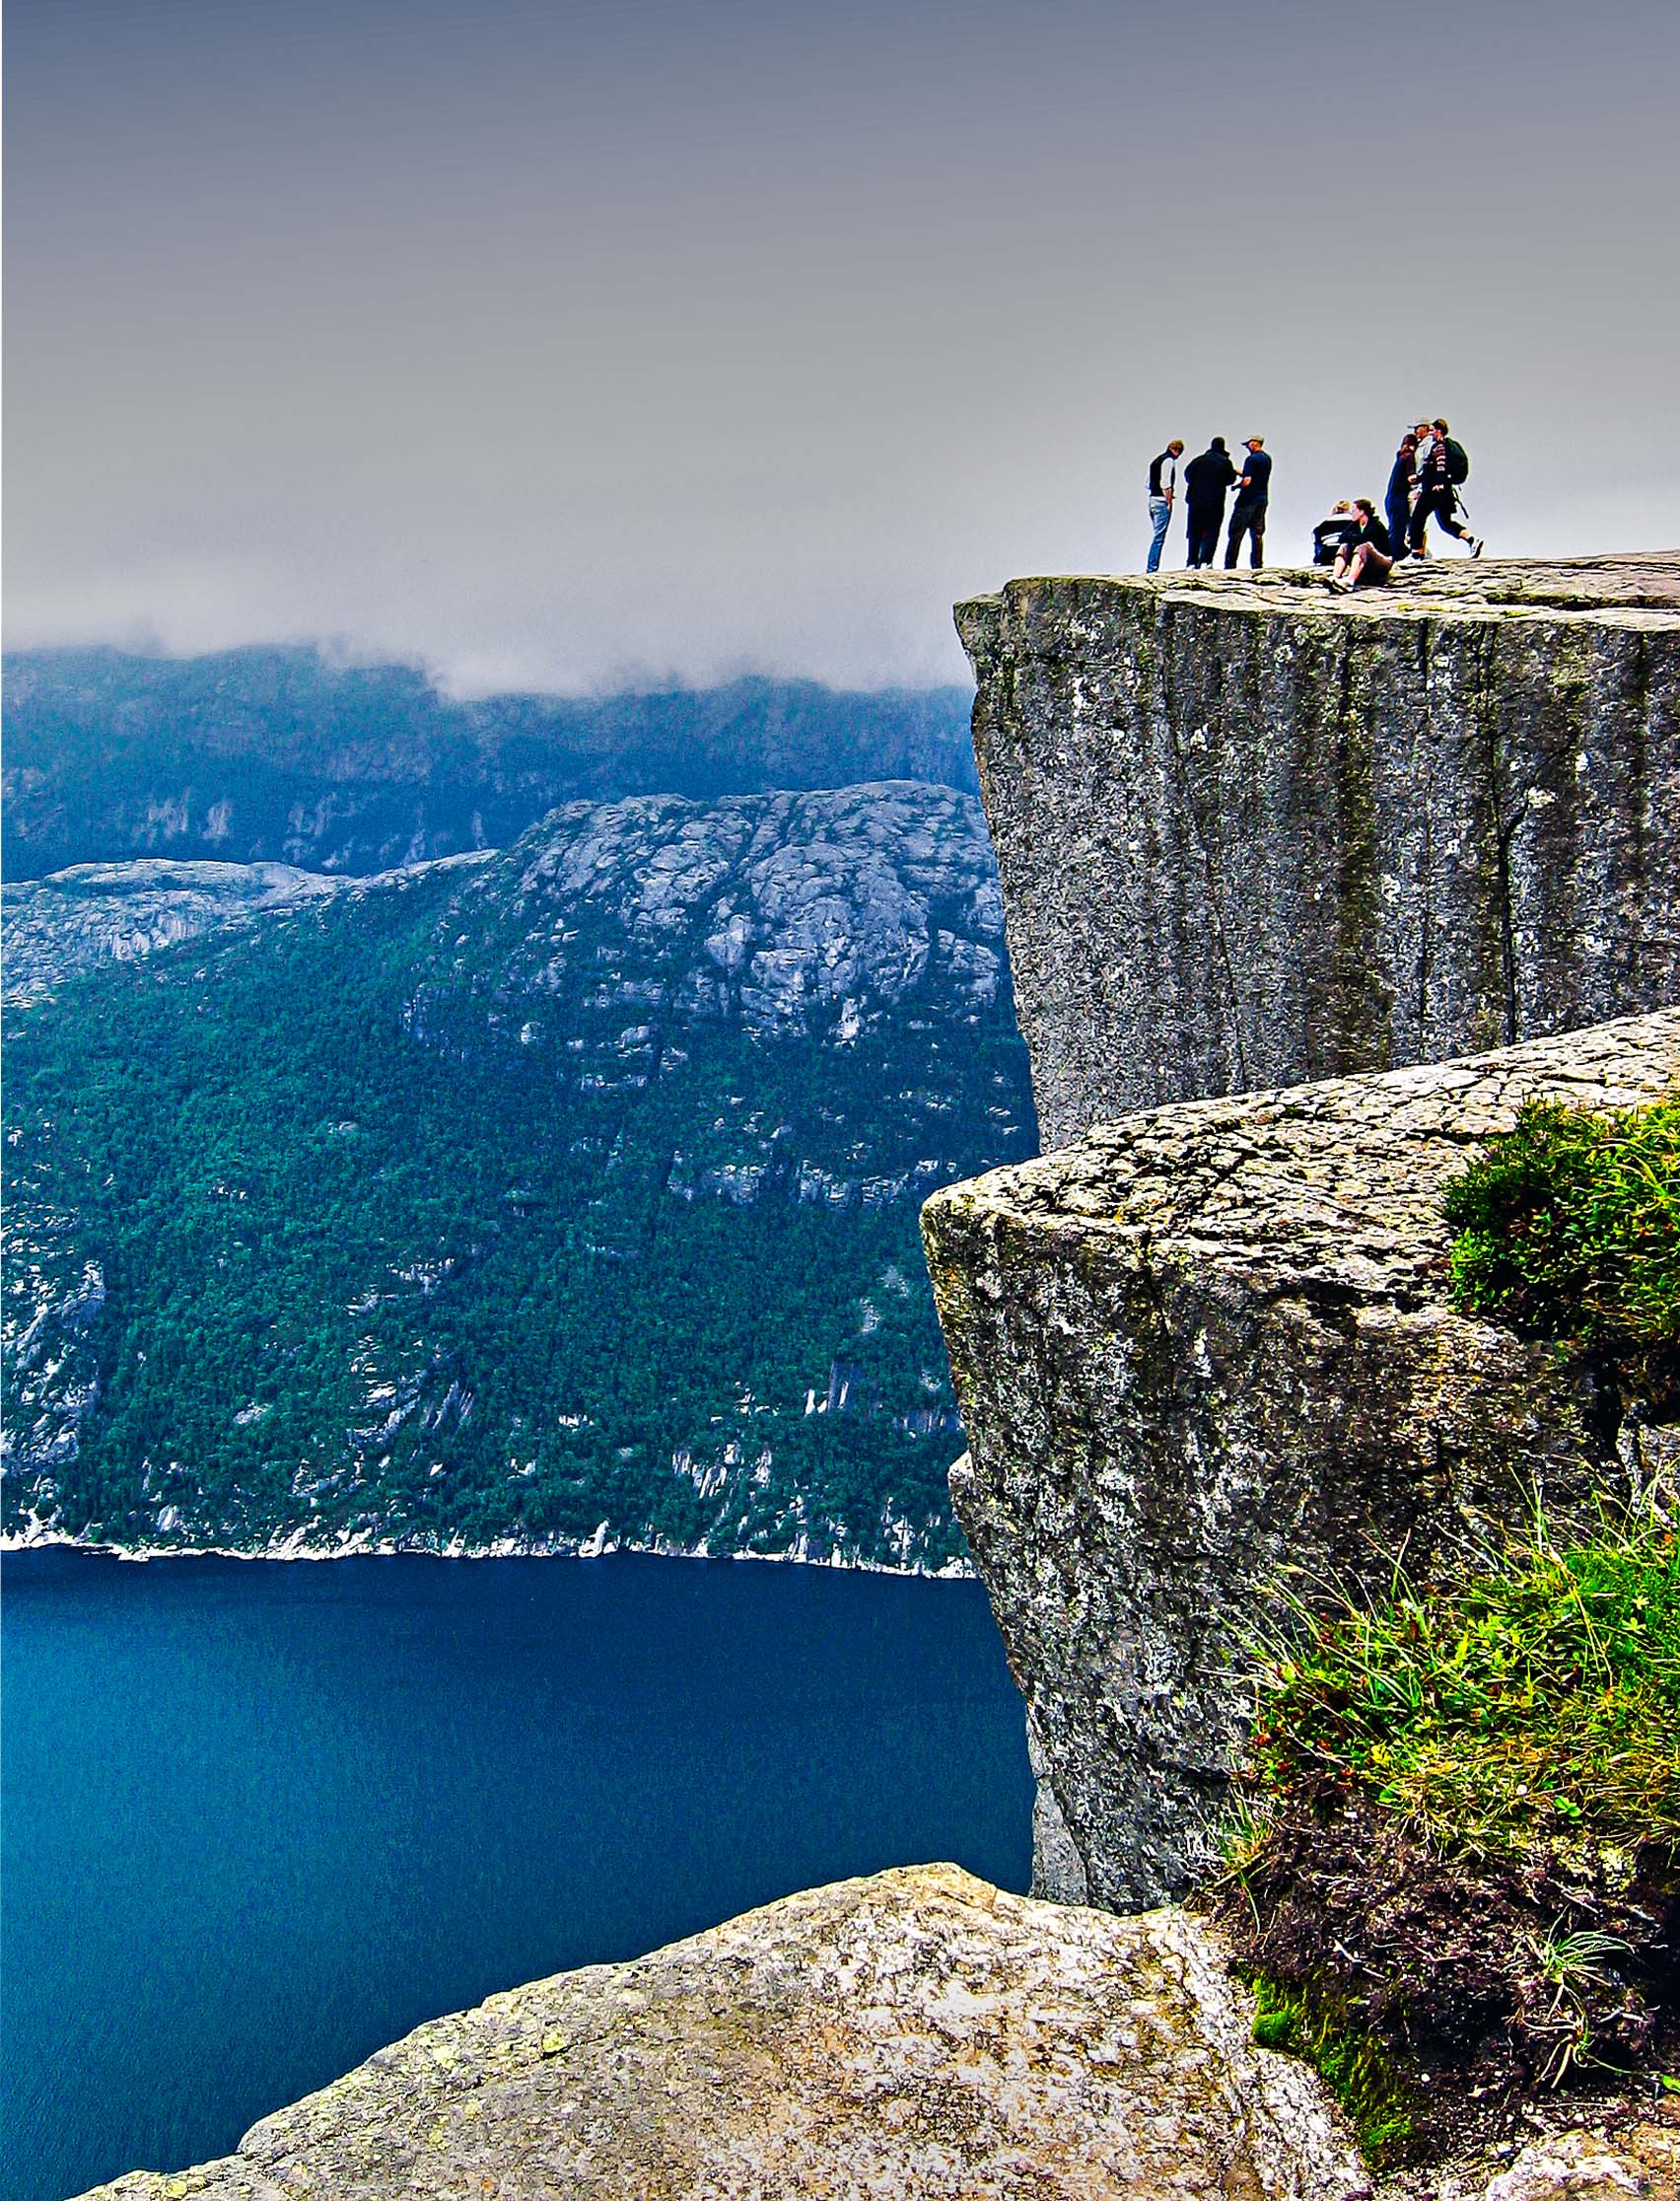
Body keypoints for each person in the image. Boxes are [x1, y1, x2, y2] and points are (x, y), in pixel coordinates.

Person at [1409, 418, 1483, 557]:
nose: (1431, 433)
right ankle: (1472, 540)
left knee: (1417, 518)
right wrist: (1419, 479)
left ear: (1439, 431)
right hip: (1445, 491)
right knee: (1445, 523)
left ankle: (1417, 552)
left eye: (1433, 430)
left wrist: (1439, 483)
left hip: (1434, 490)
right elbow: (1432, 471)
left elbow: (1440, 466)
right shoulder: (1440, 446)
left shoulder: (1439, 446)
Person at [1182, 437, 1236, 568]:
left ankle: (1191, 562)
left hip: (1195, 502)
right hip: (1215, 502)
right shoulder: (1225, 462)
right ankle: (1206, 561)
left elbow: (1187, 474)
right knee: (1212, 531)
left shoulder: (1198, 460)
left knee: (1195, 532)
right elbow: (1230, 479)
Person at [1224, 436, 1272, 569]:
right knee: (1257, 534)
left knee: (1236, 532)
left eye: (1248, 444)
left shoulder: (1251, 459)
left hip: (1247, 500)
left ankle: (1230, 564)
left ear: (1255, 443)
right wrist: (1239, 472)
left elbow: (1247, 481)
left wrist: (1236, 486)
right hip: (1262, 499)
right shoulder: (1267, 459)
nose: (1247, 447)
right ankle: (1257, 564)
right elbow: (1253, 475)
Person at [1330, 499, 1395, 590]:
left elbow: (1364, 538)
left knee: (1363, 547)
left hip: (1381, 562)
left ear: (1361, 511)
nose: (1352, 513)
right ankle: (1335, 577)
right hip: (1364, 563)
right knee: (1344, 546)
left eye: (1354, 511)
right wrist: (1353, 539)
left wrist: (1353, 538)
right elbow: (1342, 538)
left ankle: (1350, 581)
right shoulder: (1354, 525)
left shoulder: (1375, 525)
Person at [1146, 441, 1185, 573]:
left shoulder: (1156, 461)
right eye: (1177, 450)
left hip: (1152, 499)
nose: (1177, 453)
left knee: (1157, 534)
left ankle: (1151, 566)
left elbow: (1147, 483)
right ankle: (1152, 568)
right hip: (1161, 500)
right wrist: (1169, 501)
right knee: (1159, 536)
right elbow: (1166, 483)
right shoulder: (1169, 461)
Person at [1385, 432, 1418, 563]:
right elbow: (1411, 477)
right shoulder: (1409, 456)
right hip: (1399, 498)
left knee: (1394, 528)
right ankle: (1398, 555)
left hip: (1390, 499)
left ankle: (1396, 552)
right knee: (1399, 530)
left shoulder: (1399, 458)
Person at [1312, 501, 1361, 566]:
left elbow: (1317, 537)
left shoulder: (1325, 522)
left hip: (1327, 552)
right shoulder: (1353, 520)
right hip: (1346, 551)